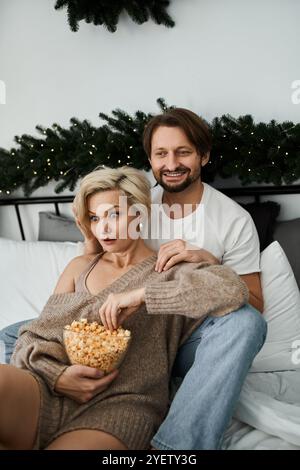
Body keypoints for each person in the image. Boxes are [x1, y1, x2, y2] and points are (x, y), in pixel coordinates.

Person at [0, 108, 267, 449]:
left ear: (204, 155)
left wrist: (198, 265)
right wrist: (58, 374)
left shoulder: (214, 232)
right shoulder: (113, 228)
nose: (171, 163)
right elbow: (43, 329)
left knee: (244, 323)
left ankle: (176, 447)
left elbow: (242, 297)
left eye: (183, 152)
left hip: (172, 342)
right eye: (160, 154)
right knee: (14, 335)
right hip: (61, 381)